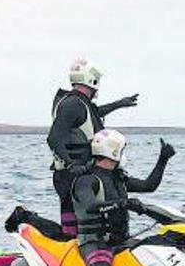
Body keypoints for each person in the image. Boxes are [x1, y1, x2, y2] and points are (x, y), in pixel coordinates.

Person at [6, 130, 176, 266]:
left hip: (119, 240)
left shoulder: (118, 179)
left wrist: (163, 159)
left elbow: (148, 186)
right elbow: (90, 206)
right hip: (94, 241)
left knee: (153, 251)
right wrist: (122, 203)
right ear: (114, 152)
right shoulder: (86, 180)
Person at [47, 59, 139, 239]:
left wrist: (120, 104)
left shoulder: (79, 103)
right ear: (93, 81)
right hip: (71, 176)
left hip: (77, 173)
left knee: (84, 226)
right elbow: (54, 138)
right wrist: (71, 164)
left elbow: (94, 113)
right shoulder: (73, 104)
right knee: (75, 230)